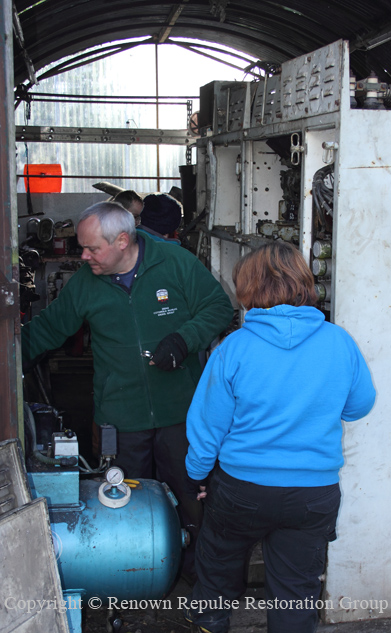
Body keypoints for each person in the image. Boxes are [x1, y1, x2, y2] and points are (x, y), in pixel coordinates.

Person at [22, 201, 234, 581]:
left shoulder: (175, 263)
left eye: (91, 248)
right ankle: (137, 579)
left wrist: (183, 341)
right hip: (120, 419)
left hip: (181, 415)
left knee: (192, 501)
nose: (83, 256)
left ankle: (196, 579)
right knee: (124, 506)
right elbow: (47, 330)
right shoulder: (87, 282)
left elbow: (218, 307)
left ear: (122, 240)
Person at [183, 241, 376, 633]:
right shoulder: (339, 342)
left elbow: (207, 426)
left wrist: (199, 475)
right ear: (304, 283)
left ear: (248, 288)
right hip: (313, 495)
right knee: (295, 593)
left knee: (216, 573)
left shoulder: (234, 347)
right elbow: (359, 406)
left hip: (242, 490)